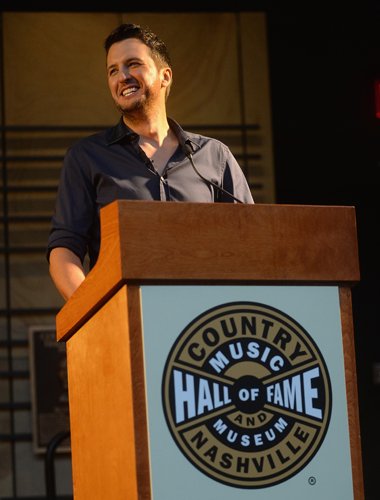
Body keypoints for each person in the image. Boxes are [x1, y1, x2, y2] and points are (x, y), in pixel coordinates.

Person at [47, 23, 254, 301]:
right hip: (128, 322)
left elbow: (251, 241)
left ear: (164, 76)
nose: (122, 76)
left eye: (133, 64)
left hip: (207, 322)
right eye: (112, 70)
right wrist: (95, 315)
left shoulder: (215, 156)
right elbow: (64, 249)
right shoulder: (86, 157)